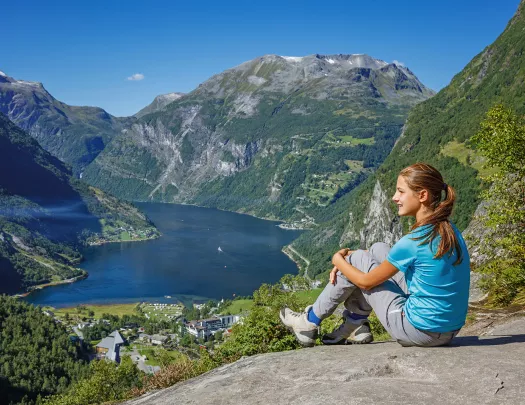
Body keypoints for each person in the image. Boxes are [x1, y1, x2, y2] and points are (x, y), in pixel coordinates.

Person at [280, 163, 470, 347]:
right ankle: (355, 324)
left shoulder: (414, 241)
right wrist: (354, 257)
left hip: (418, 330)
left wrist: (339, 259)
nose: (395, 197)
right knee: (378, 248)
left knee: (355, 260)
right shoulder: (449, 231)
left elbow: (366, 282)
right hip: (447, 329)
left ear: (422, 195)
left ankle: (309, 322)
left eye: (401, 192)